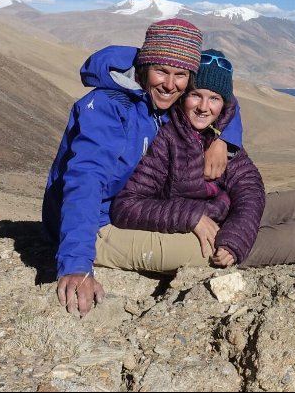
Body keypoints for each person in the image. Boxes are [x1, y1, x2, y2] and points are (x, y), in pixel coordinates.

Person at [41, 18, 243, 317]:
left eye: (180, 75)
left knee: (231, 220)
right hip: (100, 223)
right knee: (214, 248)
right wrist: (76, 264)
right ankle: (291, 244)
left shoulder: (160, 98)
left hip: (138, 209)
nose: (170, 84)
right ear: (145, 67)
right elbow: (86, 179)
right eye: (161, 71)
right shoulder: (109, 106)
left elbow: (223, 99)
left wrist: (222, 138)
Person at [112, 48, 295, 269]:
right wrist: (191, 217)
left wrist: (237, 237)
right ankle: (290, 246)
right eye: (195, 95)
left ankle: (281, 243)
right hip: (194, 228)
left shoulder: (220, 135)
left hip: (226, 213)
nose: (204, 107)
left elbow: (249, 189)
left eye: (214, 99)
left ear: (224, 105)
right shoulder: (166, 139)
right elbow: (126, 206)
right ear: (182, 97)